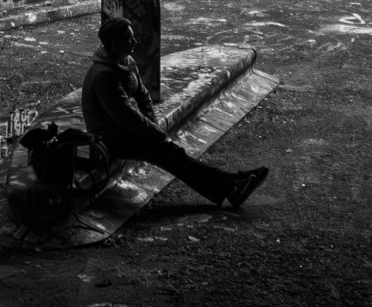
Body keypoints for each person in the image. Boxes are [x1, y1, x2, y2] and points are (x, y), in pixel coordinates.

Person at [82, 16, 269, 211]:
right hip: (110, 138)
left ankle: (231, 185)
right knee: (167, 152)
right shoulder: (103, 76)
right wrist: (155, 133)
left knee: (169, 152)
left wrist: (154, 125)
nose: (134, 42)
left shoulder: (126, 62)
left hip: (124, 130)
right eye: (129, 39)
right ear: (115, 43)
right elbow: (125, 116)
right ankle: (231, 187)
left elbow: (143, 96)